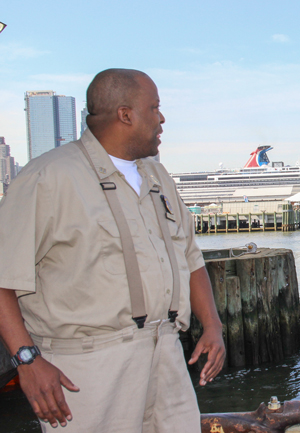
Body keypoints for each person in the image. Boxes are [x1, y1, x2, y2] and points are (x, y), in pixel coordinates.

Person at [0, 69, 225, 432]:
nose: (162, 118)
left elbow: (190, 257)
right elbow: (3, 278)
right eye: (154, 108)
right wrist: (28, 361)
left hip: (166, 354)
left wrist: (212, 326)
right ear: (125, 114)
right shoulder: (48, 178)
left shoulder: (158, 176)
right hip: (87, 367)